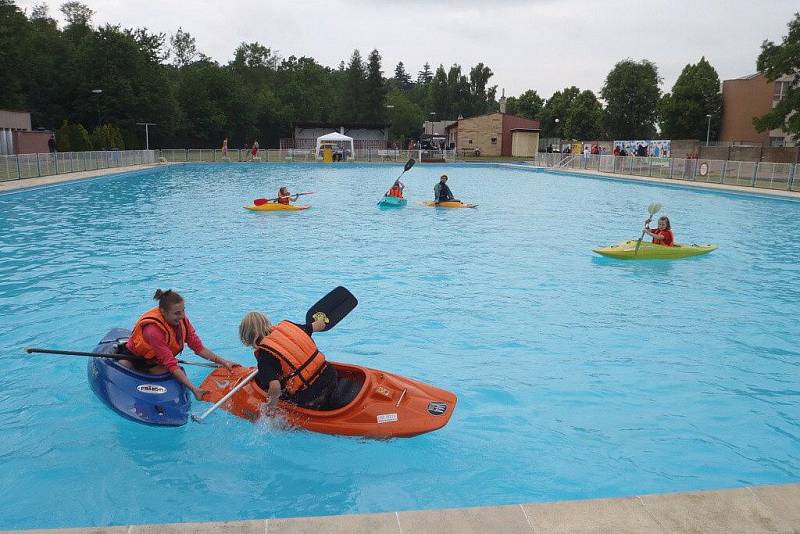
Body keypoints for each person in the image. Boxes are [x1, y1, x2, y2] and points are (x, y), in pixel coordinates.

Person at [122, 289, 239, 400]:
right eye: (177, 313)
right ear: (163, 311)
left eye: (183, 310)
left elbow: (198, 348)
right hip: (134, 357)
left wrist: (223, 361)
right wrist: (194, 389)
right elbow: (171, 363)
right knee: (124, 368)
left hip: (155, 361)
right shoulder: (153, 330)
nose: (182, 316)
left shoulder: (182, 321)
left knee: (166, 376)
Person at [238, 311, 347, 411]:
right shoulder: (291, 328)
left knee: (267, 388)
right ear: (268, 323)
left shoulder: (264, 355)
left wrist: (269, 410)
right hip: (331, 376)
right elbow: (319, 325)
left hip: (316, 397)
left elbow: (275, 387)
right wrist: (320, 319)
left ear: (247, 337)